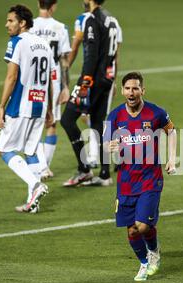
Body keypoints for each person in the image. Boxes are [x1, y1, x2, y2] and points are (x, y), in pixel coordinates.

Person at [104, 72, 177, 281]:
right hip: (126, 181)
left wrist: (171, 159)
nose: (131, 92)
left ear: (142, 90)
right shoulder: (115, 116)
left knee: (143, 225)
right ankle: (144, 262)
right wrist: (109, 146)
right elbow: (105, 142)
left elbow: (171, 131)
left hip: (150, 179)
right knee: (133, 231)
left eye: (135, 88)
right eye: (127, 88)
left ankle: (153, 252)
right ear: (122, 91)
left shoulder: (156, 113)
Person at [0, 4, 53, 213]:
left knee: (4, 149)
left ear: (22, 23)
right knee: (30, 152)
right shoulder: (44, 45)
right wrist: (48, 109)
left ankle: (36, 185)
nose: (7, 25)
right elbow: (49, 79)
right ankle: (33, 202)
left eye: (11, 21)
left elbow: (12, 77)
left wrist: (2, 106)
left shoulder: (17, 42)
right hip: (39, 104)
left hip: (20, 105)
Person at [60, 0, 119, 187]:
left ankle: (84, 169)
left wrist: (85, 82)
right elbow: (114, 52)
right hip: (106, 79)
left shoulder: (92, 20)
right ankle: (104, 174)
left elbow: (91, 55)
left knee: (67, 120)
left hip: (91, 80)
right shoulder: (111, 19)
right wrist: (112, 78)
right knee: (99, 125)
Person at [30, 0, 72, 180]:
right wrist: (65, 87)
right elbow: (64, 61)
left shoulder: (29, 26)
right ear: (54, 5)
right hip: (52, 81)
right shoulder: (60, 28)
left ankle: (41, 167)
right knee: (51, 123)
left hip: (32, 80)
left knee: (34, 124)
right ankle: (45, 166)